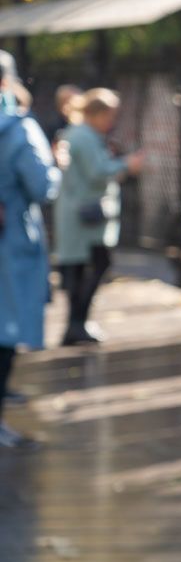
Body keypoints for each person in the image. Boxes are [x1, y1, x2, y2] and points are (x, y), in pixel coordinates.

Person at [0, 49, 60, 448]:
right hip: (9, 242)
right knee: (4, 330)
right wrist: (57, 165)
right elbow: (43, 186)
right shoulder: (18, 128)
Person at [53, 88, 143, 345]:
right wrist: (127, 164)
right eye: (110, 115)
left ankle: (77, 324)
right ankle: (76, 324)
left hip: (79, 214)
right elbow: (97, 171)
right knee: (93, 267)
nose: (112, 121)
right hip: (84, 216)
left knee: (81, 270)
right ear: (98, 113)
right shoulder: (83, 135)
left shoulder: (78, 133)